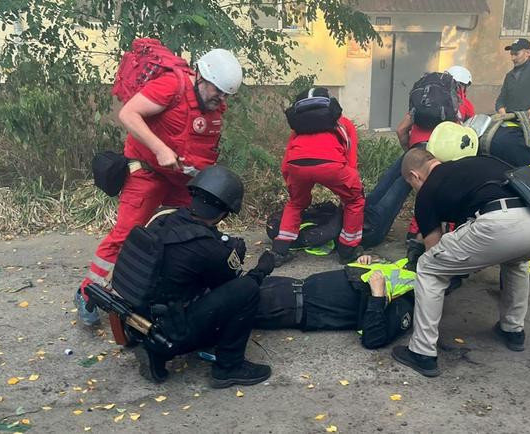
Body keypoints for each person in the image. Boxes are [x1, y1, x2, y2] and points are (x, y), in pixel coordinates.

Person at [75, 48, 244, 326]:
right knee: (126, 234)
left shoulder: (211, 104)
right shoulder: (171, 85)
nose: (221, 99)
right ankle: (87, 293)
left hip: (182, 181)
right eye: (218, 91)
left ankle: (169, 290)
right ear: (201, 77)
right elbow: (129, 114)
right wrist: (160, 149)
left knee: (189, 236)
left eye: (227, 95)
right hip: (147, 173)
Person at [391, 149, 530, 377]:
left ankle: (422, 352)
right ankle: (513, 330)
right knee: (516, 261)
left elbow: (436, 252)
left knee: (429, 268)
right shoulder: (478, 162)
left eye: (410, 184)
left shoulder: (426, 192)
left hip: (502, 223)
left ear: (414, 176)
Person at [114, 165, 276, 387]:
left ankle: (153, 345)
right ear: (224, 213)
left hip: (141, 315)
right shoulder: (207, 248)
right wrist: (260, 270)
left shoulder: (163, 216)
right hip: (171, 331)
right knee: (247, 291)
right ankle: (229, 367)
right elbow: (231, 284)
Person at [272, 87, 364, 266]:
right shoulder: (343, 123)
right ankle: (348, 249)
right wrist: (350, 187)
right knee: (355, 200)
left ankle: (279, 251)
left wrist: (290, 185)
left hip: (297, 166)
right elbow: (351, 160)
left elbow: (286, 163)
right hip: (332, 166)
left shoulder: (299, 129)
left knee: (296, 203)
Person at [255, 255, 418, 349]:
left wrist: (377, 296)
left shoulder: (406, 303)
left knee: (234, 307)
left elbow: (374, 339)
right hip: (289, 285)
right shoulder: (407, 267)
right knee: (235, 286)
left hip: (288, 306)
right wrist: (367, 262)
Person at [396, 66, 475, 240]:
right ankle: (450, 235)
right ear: (464, 86)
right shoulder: (463, 105)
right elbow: (467, 135)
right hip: (446, 153)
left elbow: (401, 129)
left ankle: (414, 232)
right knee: (450, 194)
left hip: (419, 149)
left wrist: (410, 153)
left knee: (424, 193)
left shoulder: (423, 101)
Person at [495, 38, 530, 117]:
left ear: (527, 52)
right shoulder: (509, 76)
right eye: (511, 54)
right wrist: (502, 113)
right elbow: (500, 101)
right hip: (512, 121)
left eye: (516, 54)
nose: (512, 58)